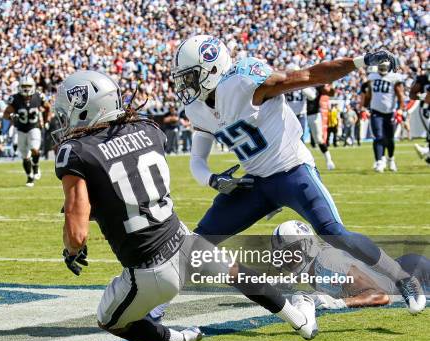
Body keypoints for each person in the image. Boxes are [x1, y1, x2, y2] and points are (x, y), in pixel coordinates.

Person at [53, 70, 319, 341]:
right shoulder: (147, 128)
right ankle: (300, 320)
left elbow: (77, 234)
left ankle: (179, 340)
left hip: (150, 270)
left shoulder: (77, 151)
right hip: (184, 241)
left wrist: (72, 251)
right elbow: (128, 180)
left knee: (109, 320)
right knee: (237, 274)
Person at [172, 35, 425, 314]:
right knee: (197, 243)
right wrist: (213, 179)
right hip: (255, 182)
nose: (186, 86)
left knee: (334, 233)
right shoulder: (196, 109)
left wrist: (360, 61)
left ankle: (403, 277)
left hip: (292, 170)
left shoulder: (244, 83)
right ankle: (155, 308)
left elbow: (309, 75)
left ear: (213, 68)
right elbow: (197, 159)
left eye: (190, 77)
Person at [272, 220, 429, 310]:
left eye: (291, 251)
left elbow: (380, 295)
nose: (287, 258)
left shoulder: (327, 265)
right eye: (283, 254)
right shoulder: (315, 266)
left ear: (308, 247)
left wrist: (339, 303)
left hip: (416, 273)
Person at [3, 76, 50, 187]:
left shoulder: (39, 96)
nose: (26, 88)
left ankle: (36, 166)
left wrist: (47, 120)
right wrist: (11, 116)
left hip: (34, 127)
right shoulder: (15, 98)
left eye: (28, 86)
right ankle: (29, 177)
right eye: (24, 86)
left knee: (34, 149)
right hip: (20, 129)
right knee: (25, 156)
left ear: (33, 86)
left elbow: (48, 107)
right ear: (19, 87)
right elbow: (6, 114)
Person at [367, 61, 405, 172]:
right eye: (381, 66)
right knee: (378, 136)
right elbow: (369, 94)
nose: (382, 69)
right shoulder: (372, 77)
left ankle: (391, 159)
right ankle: (379, 161)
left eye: (384, 67)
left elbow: (400, 95)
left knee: (390, 139)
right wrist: (364, 107)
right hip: (375, 112)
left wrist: (400, 110)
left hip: (390, 112)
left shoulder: (394, 78)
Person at [306, 84, 336, 169]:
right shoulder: (296, 82)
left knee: (319, 139)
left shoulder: (317, 84)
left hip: (313, 114)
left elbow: (330, 93)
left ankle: (329, 160)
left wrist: (331, 85)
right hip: (298, 113)